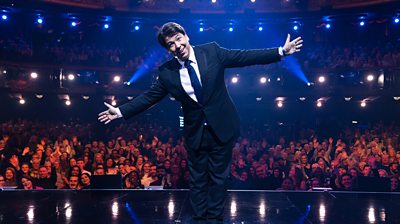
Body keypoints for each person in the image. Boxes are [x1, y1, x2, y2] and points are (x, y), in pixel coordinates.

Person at [98, 22, 302, 223]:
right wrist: (121, 111)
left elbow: (244, 57)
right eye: (171, 44)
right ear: (168, 50)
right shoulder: (167, 72)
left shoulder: (211, 51)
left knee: (219, 178)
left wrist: (281, 52)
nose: (177, 46)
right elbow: (149, 97)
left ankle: (213, 218)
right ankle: (199, 218)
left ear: (186, 36)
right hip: (195, 132)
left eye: (179, 39)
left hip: (222, 127)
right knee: (197, 180)